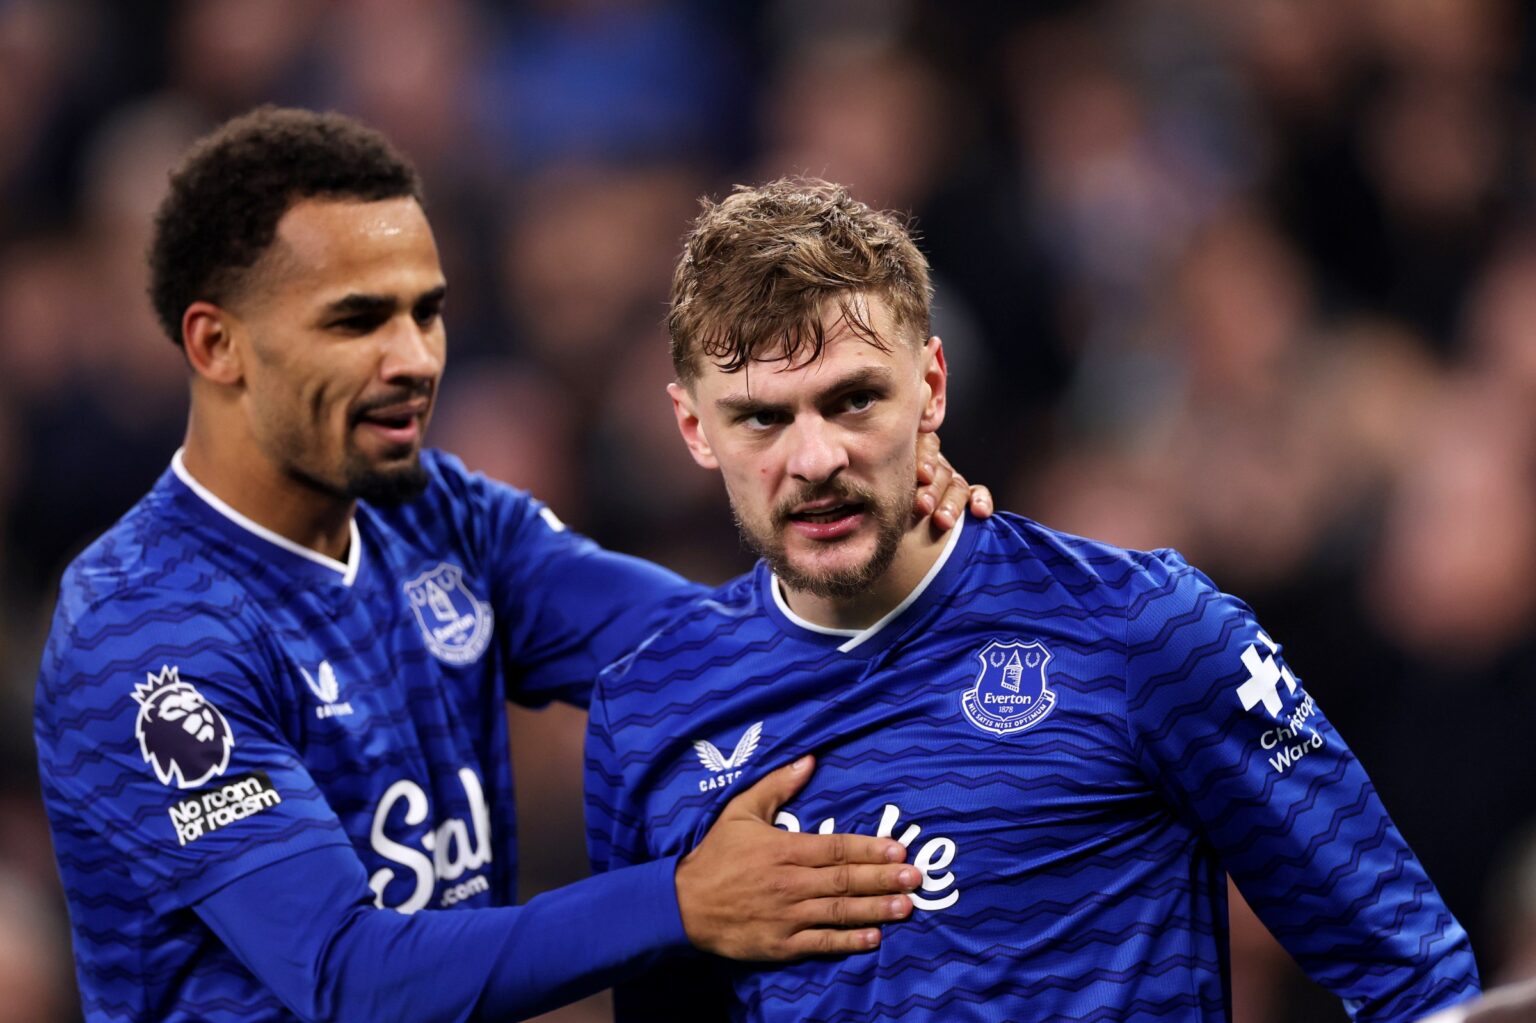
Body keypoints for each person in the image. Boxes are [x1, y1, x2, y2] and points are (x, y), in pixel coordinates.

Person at [32, 109, 992, 1023]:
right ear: (217, 343)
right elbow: (345, 979)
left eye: (427, 311)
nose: (413, 357)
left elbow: (707, 647)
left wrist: (875, 516)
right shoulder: (145, 630)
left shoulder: (434, 515)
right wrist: (679, 902)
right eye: (357, 320)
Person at [584, 177, 1483, 1021]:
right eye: (763, 417)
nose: (815, 457)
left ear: (931, 385)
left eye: (853, 399)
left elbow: (1411, 973)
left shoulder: (1145, 630)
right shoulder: (646, 708)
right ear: (695, 428)